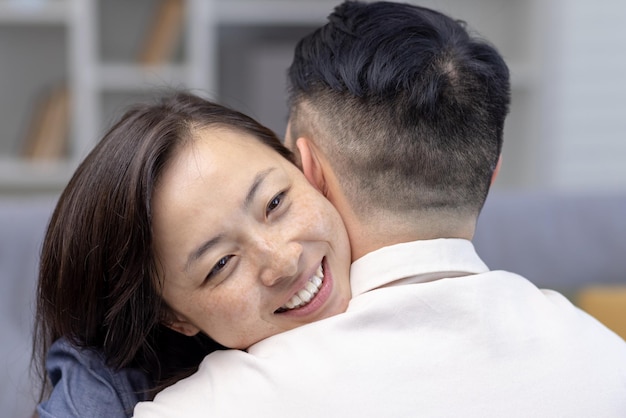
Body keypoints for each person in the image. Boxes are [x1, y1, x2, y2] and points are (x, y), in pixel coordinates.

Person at [133, 1, 626, 417]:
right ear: (492, 173)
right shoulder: (607, 361)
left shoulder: (215, 406)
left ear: (309, 169)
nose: (280, 260)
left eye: (276, 199)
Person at [32, 91, 352, 418]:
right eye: (221, 264)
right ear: (173, 317)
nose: (284, 262)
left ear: (302, 167)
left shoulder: (389, 218)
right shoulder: (112, 393)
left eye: (274, 202)